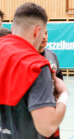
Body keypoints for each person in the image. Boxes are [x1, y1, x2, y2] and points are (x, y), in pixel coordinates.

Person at [0, 3, 69, 139]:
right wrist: (64, 95)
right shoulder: (36, 65)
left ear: (13, 28)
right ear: (38, 32)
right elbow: (47, 128)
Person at [38, 30, 63, 139]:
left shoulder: (51, 55)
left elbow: (58, 77)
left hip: (51, 111)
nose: (44, 37)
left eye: (46, 33)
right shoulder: (24, 57)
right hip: (32, 113)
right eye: (41, 33)